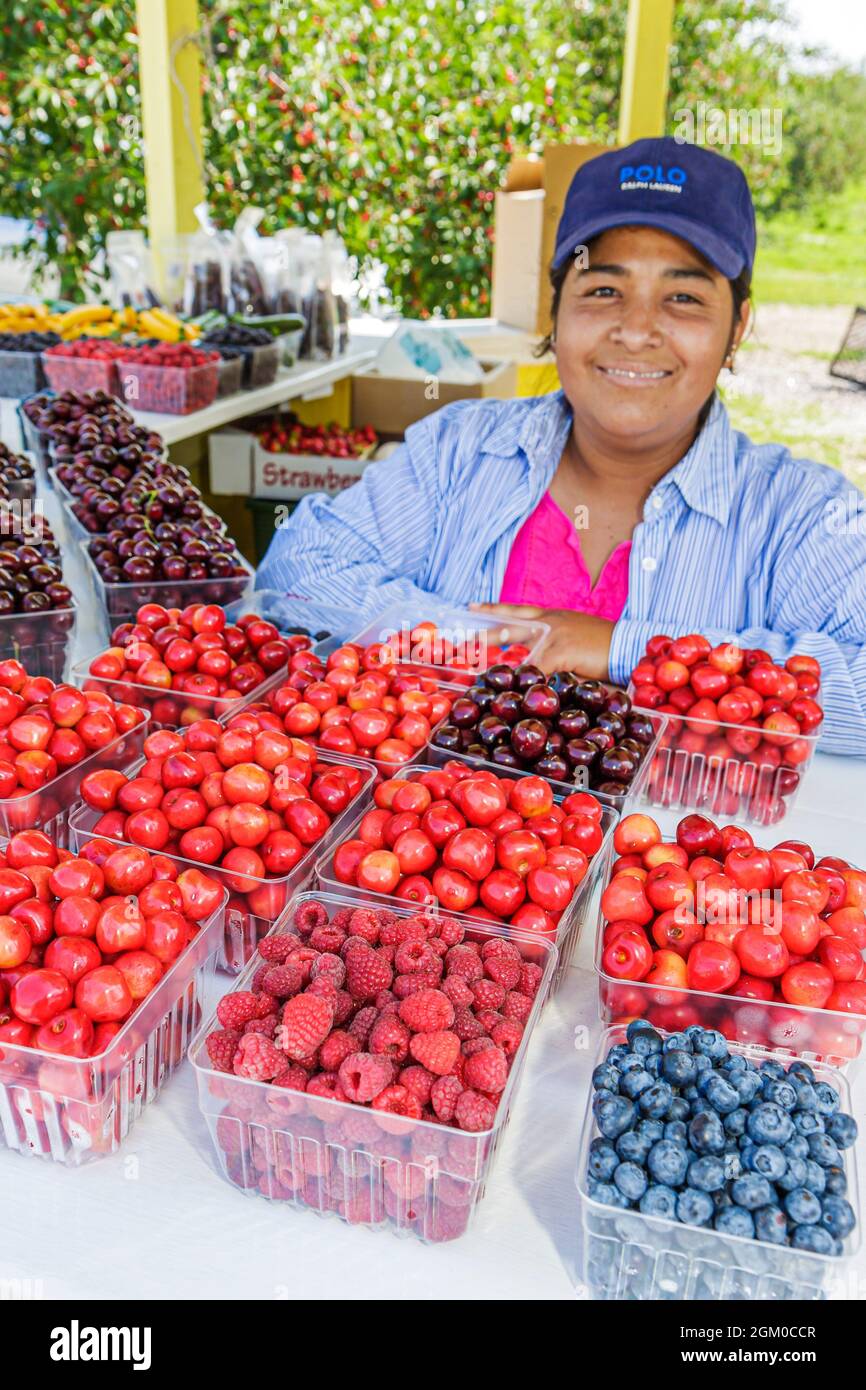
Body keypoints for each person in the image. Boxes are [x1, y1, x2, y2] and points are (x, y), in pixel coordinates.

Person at [256, 137, 866, 754]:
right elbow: (298, 574)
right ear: (556, 313)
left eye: (684, 297)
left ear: (737, 329)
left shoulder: (799, 513)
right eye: (603, 289)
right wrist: (487, 637)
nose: (635, 331)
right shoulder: (459, 451)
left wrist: (621, 647)